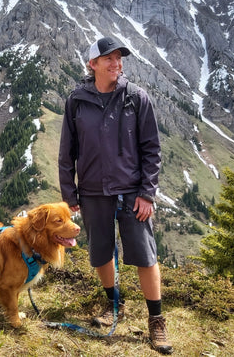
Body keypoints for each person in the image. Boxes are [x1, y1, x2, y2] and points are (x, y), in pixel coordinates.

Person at [58, 36, 173, 354]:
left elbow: (152, 149)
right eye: (108, 58)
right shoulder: (76, 102)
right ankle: (114, 304)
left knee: (145, 256)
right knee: (101, 253)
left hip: (132, 194)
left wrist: (147, 194)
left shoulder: (138, 98)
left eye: (120, 57)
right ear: (92, 64)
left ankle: (156, 321)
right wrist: (70, 194)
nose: (116, 62)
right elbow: (67, 151)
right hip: (93, 191)